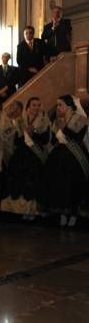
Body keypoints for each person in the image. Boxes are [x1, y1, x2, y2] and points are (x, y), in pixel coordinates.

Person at [42, 95, 89, 227]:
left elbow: (77, 136)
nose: (58, 108)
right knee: (59, 184)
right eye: (57, 105)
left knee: (72, 185)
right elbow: (53, 140)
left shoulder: (81, 119)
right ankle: (63, 213)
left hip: (75, 157)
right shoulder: (57, 120)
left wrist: (64, 128)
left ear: (69, 106)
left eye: (60, 105)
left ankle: (73, 214)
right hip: (59, 156)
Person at [1, 97, 51, 220]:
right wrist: (24, 136)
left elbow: (45, 140)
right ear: (28, 107)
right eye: (34, 105)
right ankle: (19, 209)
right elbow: (17, 140)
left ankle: (32, 210)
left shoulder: (44, 121)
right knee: (17, 176)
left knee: (33, 177)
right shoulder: (21, 121)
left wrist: (34, 133)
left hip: (36, 154)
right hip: (21, 153)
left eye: (39, 105)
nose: (36, 107)